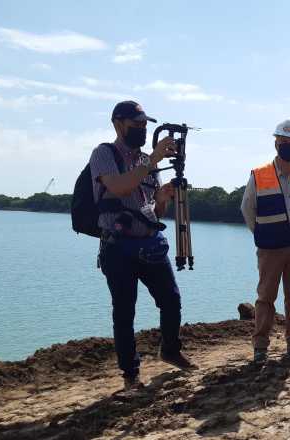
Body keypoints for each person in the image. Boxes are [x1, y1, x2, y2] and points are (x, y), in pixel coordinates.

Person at [91, 101, 196, 392]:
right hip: (118, 246)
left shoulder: (147, 161)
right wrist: (152, 161)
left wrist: (162, 197)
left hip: (150, 243)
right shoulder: (104, 154)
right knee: (125, 312)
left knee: (171, 299)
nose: (141, 129)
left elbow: (154, 210)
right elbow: (120, 188)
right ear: (118, 123)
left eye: (144, 124)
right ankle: (130, 373)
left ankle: (171, 350)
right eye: (135, 124)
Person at [240, 119, 290, 365]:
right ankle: (260, 347)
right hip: (270, 248)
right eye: (284, 142)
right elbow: (247, 209)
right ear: (276, 143)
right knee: (266, 298)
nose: (288, 146)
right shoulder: (259, 174)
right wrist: (263, 233)